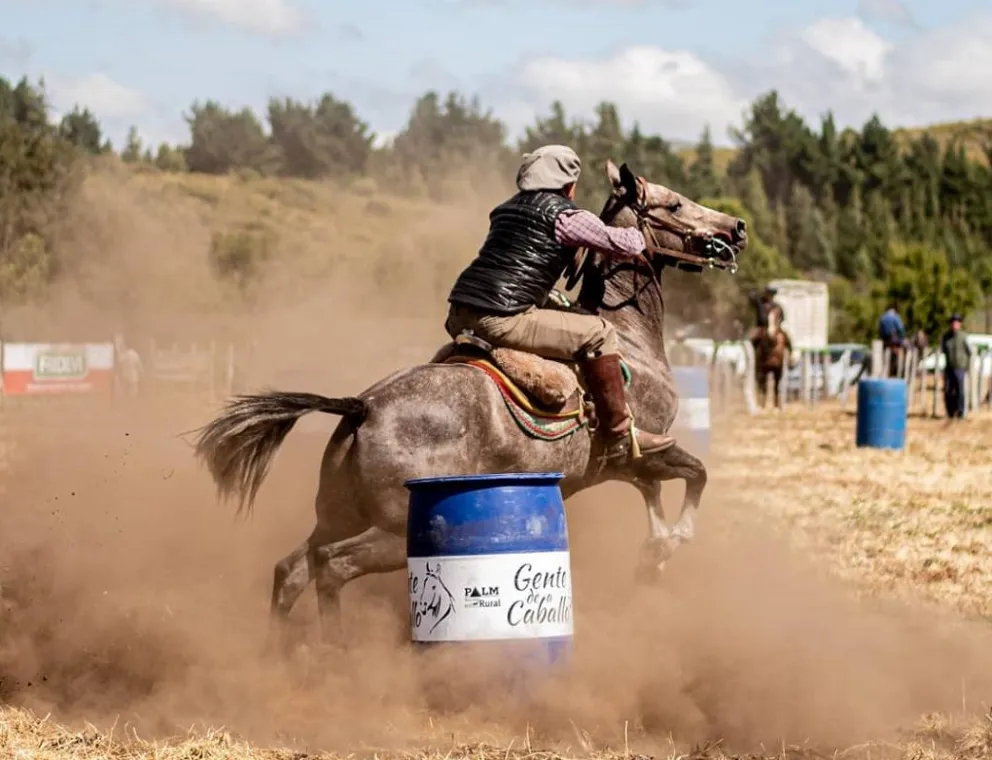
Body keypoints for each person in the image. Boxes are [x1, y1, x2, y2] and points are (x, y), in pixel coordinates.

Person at [444, 144, 675, 462]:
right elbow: (626, 244)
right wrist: (640, 221)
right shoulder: (566, 216)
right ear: (570, 185)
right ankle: (620, 433)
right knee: (601, 332)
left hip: (459, 313)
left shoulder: (505, 210)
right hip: (503, 317)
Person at [940, 313, 971, 419]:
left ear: (960, 324)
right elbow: (943, 351)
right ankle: (950, 412)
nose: (954, 325)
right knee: (948, 391)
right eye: (953, 322)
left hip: (960, 368)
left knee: (959, 391)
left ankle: (960, 412)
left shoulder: (964, 337)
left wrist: (966, 367)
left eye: (957, 322)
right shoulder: (946, 337)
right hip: (949, 367)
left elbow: (970, 352)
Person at [878, 304, 906, 377]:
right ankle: (900, 371)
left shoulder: (882, 318)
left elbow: (880, 331)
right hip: (894, 340)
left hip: (885, 341)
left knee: (886, 356)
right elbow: (900, 329)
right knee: (901, 353)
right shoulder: (895, 317)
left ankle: (886, 371)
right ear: (893, 310)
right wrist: (903, 337)